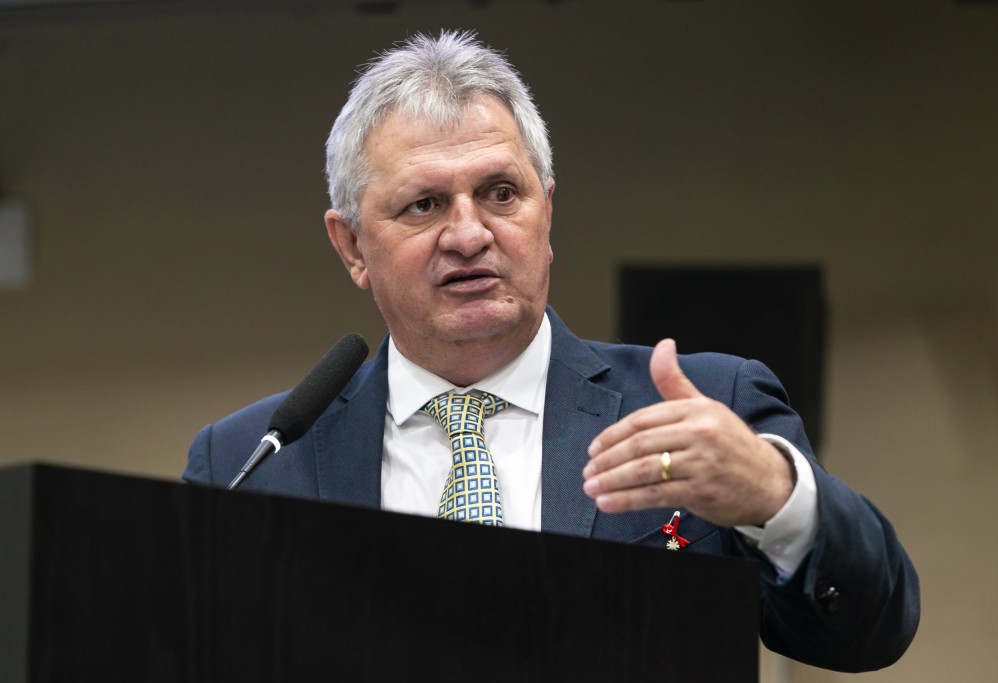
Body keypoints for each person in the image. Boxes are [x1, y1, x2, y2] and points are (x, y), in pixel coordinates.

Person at [185, 30, 919, 672]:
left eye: (501, 193)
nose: (469, 234)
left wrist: (775, 495)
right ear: (351, 246)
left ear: (547, 212)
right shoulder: (250, 463)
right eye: (424, 204)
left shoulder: (702, 407)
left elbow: (869, 631)